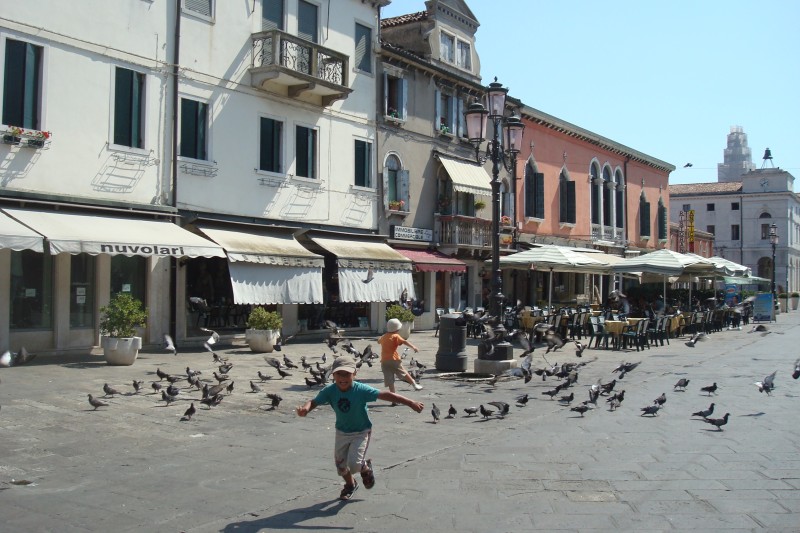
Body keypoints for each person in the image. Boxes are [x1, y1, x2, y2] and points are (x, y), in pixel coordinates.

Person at [295, 355, 424, 500]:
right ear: (333, 375)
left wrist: (410, 402)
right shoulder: (329, 391)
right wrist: (305, 410)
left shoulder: (361, 390)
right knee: (340, 466)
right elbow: (314, 401)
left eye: (347, 374)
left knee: (355, 464)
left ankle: (365, 467)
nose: (343, 378)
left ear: (354, 374)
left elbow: (385, 394)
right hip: (342, 432)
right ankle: (350, 484)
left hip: (361, 431)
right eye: (339, 374)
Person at [379, 318, 424, 393]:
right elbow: (404, 341)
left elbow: (379, 341)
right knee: (403, 372)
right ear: (397, 329)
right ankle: (414, 384)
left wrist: (382, 338)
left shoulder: (384, 336)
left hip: (384, 361)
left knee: (389, 379)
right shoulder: (396, 336)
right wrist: (413, 347)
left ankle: (394, 397)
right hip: (394, 359)